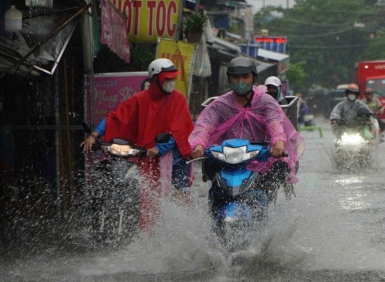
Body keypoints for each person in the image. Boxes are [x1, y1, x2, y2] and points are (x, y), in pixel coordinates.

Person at [81, 58, 195, 226]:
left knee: (178, 198)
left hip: (174, 158)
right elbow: (116, 117)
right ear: (156, 79)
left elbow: (181, 131)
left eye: (173, 79)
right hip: (146, 155)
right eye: (167, 79)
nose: (171, 82)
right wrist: (94, 134)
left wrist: (160, 148)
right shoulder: (140, 99)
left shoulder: (178, 99)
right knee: (146, 197)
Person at [189, 57, 304, 199]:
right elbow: (205, 126)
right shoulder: (221, 104)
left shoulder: (265, 101)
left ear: (253, 79)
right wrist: (199, 145)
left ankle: (267, 208)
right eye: (235, 77)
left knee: (278, 170)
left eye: (245, 77)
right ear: (229, 79)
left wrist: (279, 143)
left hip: (260, 157)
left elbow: (275, 123)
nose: (240, 82)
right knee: (213, 177)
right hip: (228, 157)